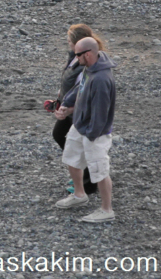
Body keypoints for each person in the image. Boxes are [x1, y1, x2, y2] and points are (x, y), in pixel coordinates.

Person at [54, 37, 116, 222]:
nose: (75, 58)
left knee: (99, 170)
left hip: (94, 133)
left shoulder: (101, 79)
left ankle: (107, 210)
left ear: (87, 54)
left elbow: (101, 112)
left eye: (77, 55)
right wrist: (66, 105)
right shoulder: (90, 68)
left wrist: (92, 134)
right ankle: (79, 194)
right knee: (71, 157)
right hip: (80, 125)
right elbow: (79, 88)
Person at [50, 24, 105, 195]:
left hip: (80, 112)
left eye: (69, 41)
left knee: (84, 146)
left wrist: (70, 108)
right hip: (69, 108)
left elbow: (85, 93)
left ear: (78, 44)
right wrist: (60, 96)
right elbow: (70, 81)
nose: (68, 43)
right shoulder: (75, 57)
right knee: (59, 135)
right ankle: (81, 174)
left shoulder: (88, 65)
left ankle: (88, 183)